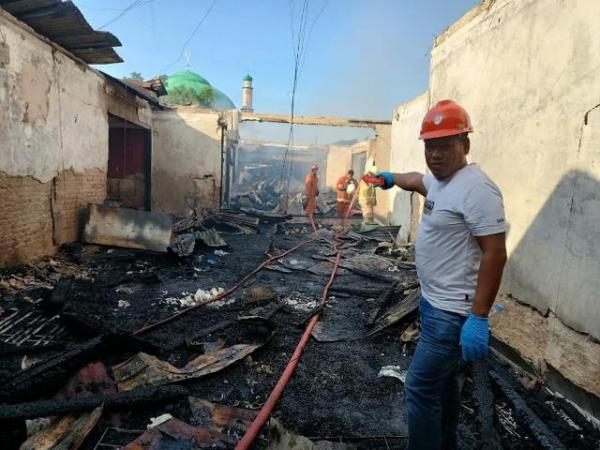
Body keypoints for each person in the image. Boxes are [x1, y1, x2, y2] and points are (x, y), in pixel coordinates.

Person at [377, 100, 507, 450]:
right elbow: (417, 181)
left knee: (419, 386)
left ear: (465, 144)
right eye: (429, 146)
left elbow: (495, 253)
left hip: (453, 314)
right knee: (445, 388)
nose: (435, 155)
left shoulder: (477, 189)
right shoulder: (440, 182)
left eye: (444, 146)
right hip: (433, 306)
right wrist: (390, 178)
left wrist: (478, 317)